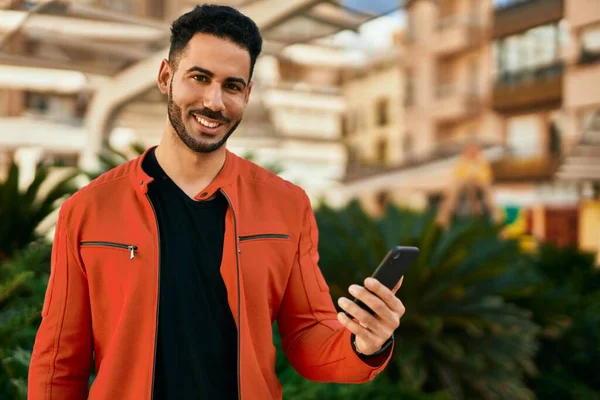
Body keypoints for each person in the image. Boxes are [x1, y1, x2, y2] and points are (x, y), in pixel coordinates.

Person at [28, 5, 405, 399]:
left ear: (247, 93)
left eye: (231, 86)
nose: (214, 102)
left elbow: (309, 335)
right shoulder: (88, 210)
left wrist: (365, 343)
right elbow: (58, 361)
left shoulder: (287, 206)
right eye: (199, 78)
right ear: (165, 77)